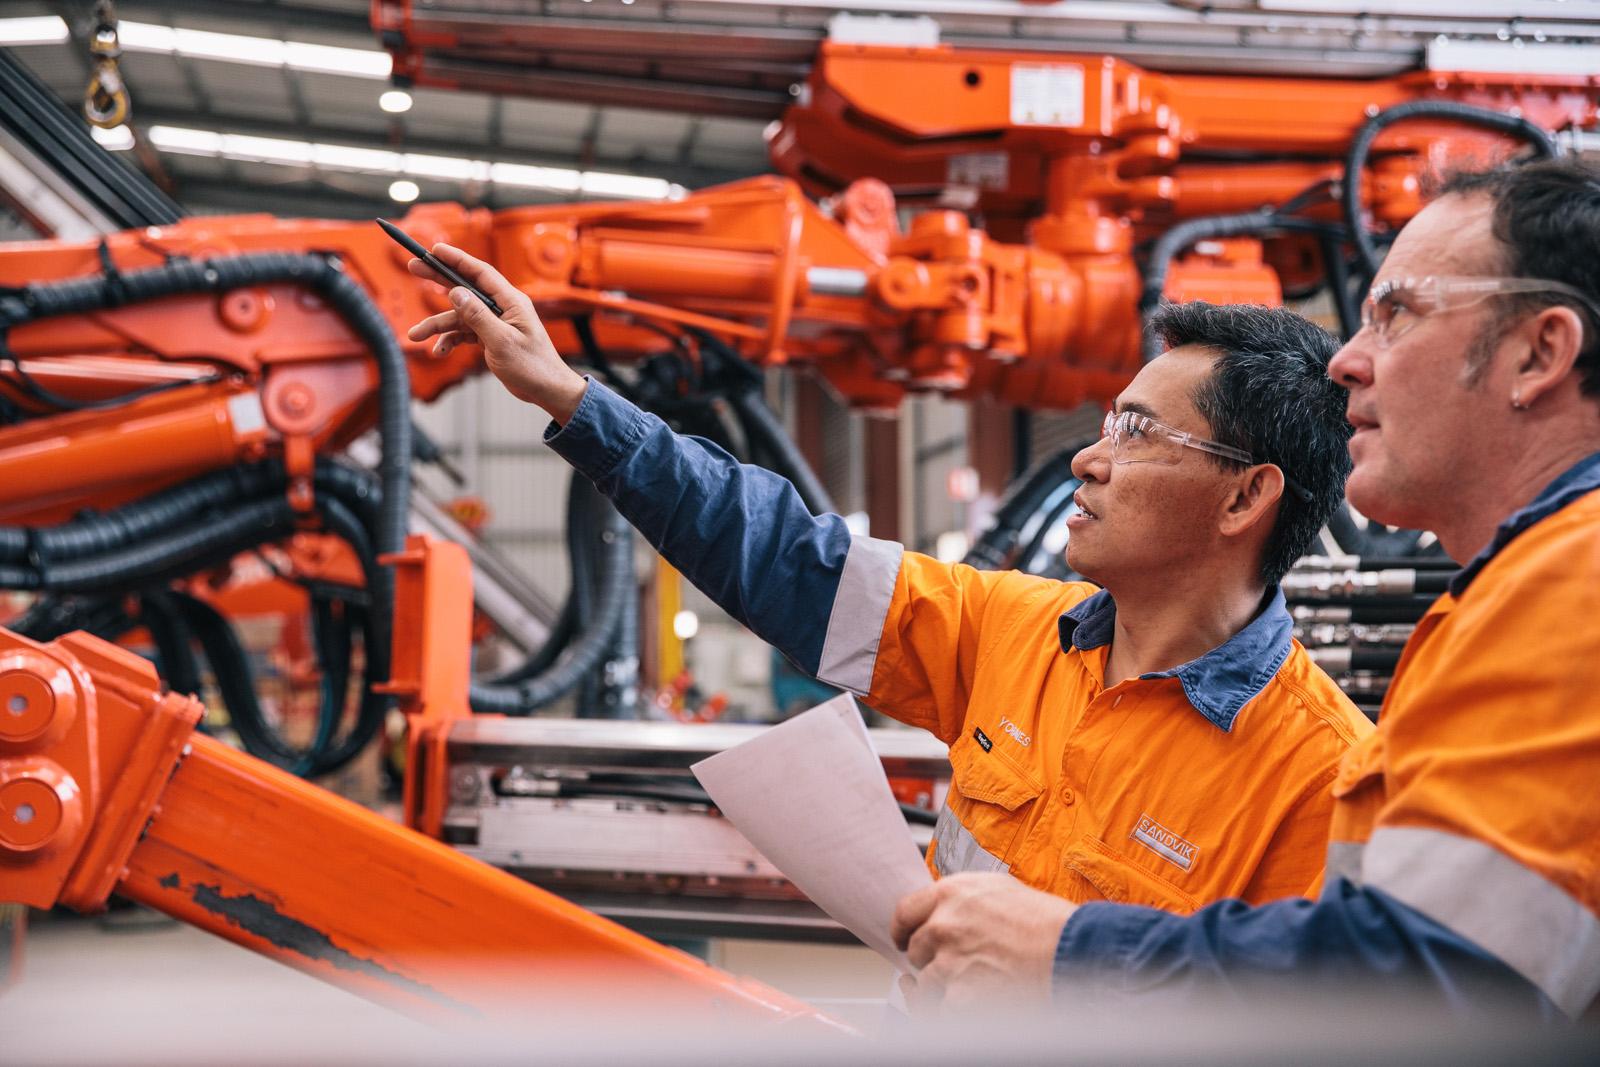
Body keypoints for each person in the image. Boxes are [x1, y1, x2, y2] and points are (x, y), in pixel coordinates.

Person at [404, 248, 1369, 916]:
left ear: (1246, 496)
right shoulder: (1009, 630)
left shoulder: (1318, 778)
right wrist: (571, 397)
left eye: (1140, 433)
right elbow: (783, 553)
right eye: (1108, 422)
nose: (1089, 458)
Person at [888, 157, 1600, 1020]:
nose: (1348, 361)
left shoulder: (1572, 587)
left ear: (1540, 353)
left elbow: (1435, 991)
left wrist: (1069, 953)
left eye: (1398, 314)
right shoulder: (1510, 594)